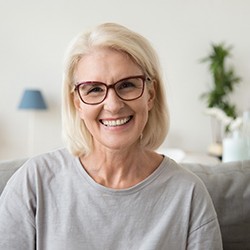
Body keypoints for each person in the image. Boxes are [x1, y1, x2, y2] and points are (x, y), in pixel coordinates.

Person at [0, 23, 223, 249]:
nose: (113, 105)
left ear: (150, 94)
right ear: (77, 102)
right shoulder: (34, 182)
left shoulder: (188, 194)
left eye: (126, 85)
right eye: (94, 89)